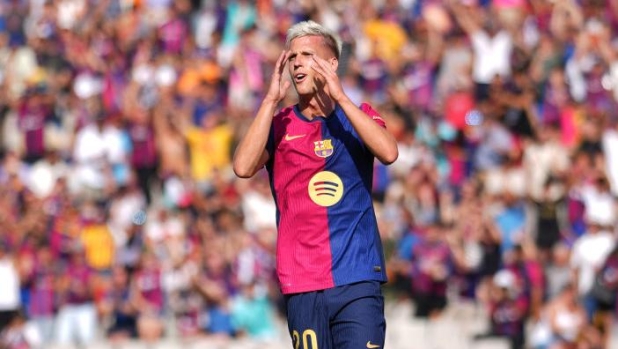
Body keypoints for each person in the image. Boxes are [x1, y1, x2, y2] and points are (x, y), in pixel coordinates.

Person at [232, 20, 398, 349]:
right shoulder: (280, 124)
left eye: (307, 55)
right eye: (292, 57)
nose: (297, 64)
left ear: (331, 63)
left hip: (358, 277)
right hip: (302, 280)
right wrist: (269, 101)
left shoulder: (358, 116)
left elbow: (389, 152)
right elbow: (242, 166)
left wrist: (340, 96)